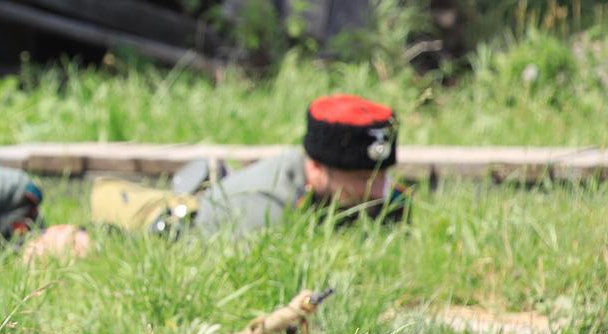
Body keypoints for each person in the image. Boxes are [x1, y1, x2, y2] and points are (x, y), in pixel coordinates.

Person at [90, 94, 409, 237]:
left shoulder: (377, 196)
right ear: (317, 166)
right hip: (174, 235)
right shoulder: (268, 210)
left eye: (382, 175)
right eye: (361, 178)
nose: (380, 189)